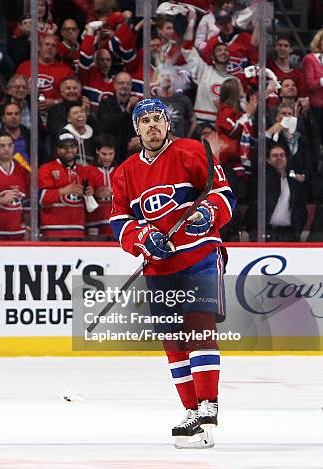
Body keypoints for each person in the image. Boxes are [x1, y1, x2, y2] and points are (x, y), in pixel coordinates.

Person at [109, 98, 236, 448]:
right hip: (160, 265)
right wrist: (143, 238)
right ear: (137, 129)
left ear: (167, 124)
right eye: (144, 120)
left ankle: (209, 402)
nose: (151, 125)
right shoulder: (125, 173)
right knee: (173, 341)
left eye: (157, 119)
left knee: (198, 325)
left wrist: (207, 213)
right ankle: (191, 410)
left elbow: (222, 195)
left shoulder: (191, 152)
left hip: (200, 254)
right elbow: (120, 222)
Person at [38, 132, 93, 240]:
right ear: (57, 150)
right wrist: (63, 190)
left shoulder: (84, 170)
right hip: (52, 230)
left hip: (77, 229)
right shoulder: (46, 169)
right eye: (64, 147)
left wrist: (90, 194)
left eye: (72, 146)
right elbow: (41, 199)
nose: (69, 150)